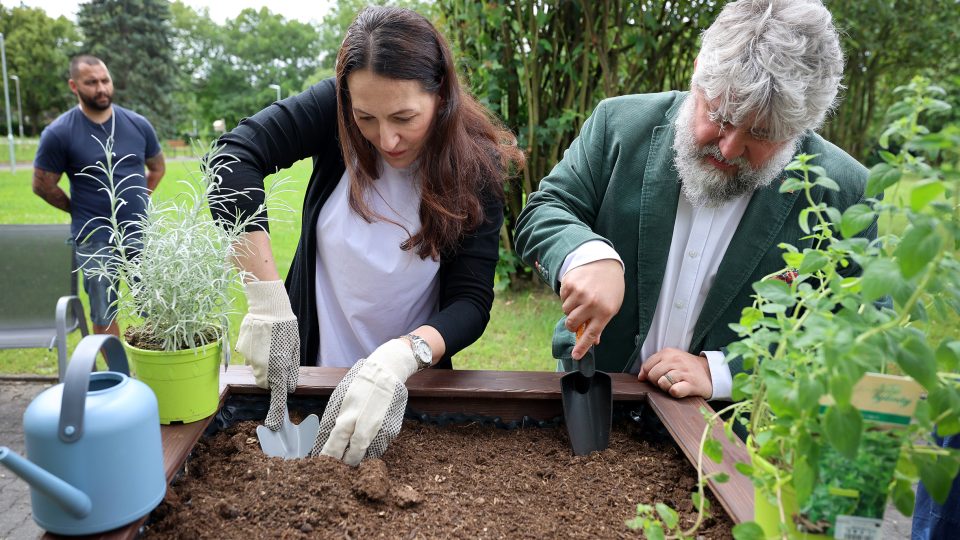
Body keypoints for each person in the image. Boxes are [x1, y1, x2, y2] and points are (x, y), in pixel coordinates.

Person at [514, 0, 873, 401]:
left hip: (727, 437)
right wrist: (585, 253)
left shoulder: (847, 193)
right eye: (720, 116)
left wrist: (722, 372)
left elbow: (860, 337)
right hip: (595, 403)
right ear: (698, 70)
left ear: (802, 128)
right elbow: (543, 211)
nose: (730, 147)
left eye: (761, 135)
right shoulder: (618, 124)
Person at [211, 7, 523, 465]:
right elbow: (232, 157)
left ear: (442, 94)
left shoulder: (476, 167)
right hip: (313, 381)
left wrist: (402, 356)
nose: (387, 139)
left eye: (404, 117)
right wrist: (266, 299)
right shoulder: (333, 112)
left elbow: (470, 303)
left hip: (406, 393)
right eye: (367, 118)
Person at [32, 54, 166, 338]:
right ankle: (117, 378)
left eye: (105, 80)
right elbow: (42, 184)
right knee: (104, 310)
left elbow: (157, 168)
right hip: (93, 236)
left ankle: (157, 374)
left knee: (155, 306)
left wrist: (138, 200)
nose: (101, 88)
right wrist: (76, 209)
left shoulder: (138, 124)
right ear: (74, 85)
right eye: (91, 82)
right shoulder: (59, 133)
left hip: (138, 231)